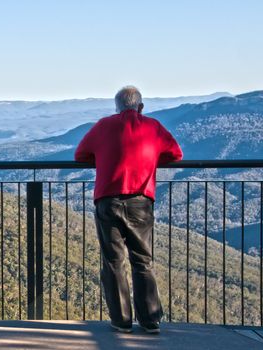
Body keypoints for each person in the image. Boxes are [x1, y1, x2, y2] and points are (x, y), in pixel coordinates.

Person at [74, 86, 183, 334]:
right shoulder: (153, 126)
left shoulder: (103, 125)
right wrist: (153, 158)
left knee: (113, 262)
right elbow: (176, 154)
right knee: (142, 260)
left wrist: (104, 158)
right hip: (140, 201)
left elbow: (80, 154)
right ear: (140, 107)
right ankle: (150, 320)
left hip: (108, 200)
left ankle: (121, 321)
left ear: (117, 107)